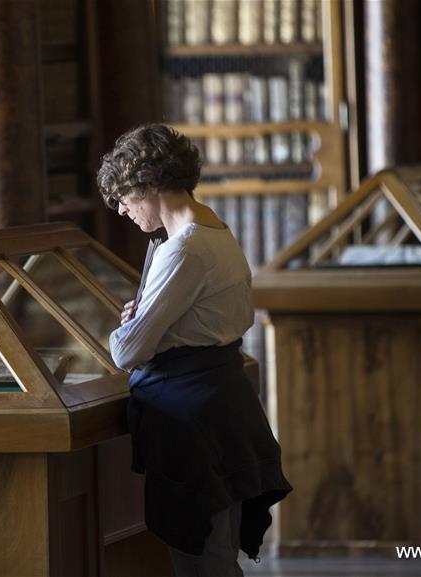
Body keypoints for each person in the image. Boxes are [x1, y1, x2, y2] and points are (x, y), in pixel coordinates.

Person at [97, 124, 293, 577]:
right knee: (213, 555)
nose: (123, 211)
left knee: (204, 563)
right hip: (219, 404)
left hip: (194, 420)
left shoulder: (183, 248)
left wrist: (124, 328)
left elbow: (127, 352)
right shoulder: (212, 228)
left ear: (148, 184)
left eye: (124, 197)